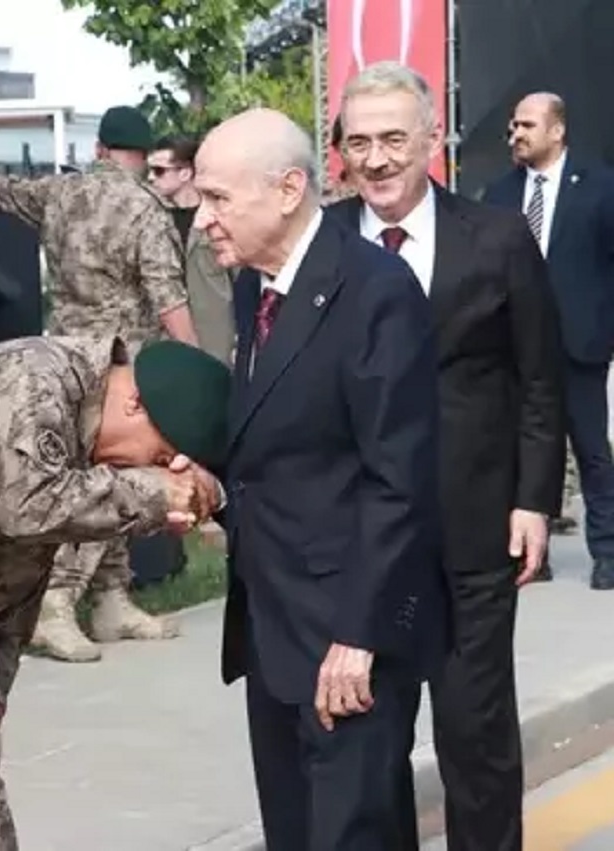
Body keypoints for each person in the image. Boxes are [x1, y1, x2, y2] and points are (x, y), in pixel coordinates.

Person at [0, 335, 230, 849]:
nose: (148, 471)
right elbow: (26, 504)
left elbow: (26, 549)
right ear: (133, 404)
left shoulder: (86, 412)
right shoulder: (36, 381)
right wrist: (150, 492)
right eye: (158, 456)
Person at [196, 107, 449, 850]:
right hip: (275, 628)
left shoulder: (375, 289)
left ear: (287, 190)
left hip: (347, 638)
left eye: (217, 198)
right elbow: (278, 443)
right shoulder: (255, 288)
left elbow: (399, 478)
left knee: (354, 833)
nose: (202, 218)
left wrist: (359, 634)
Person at [328, 62, 565, 851]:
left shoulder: (496, 237)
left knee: (476, 736)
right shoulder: (324, 243)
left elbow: (538, 377)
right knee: (371, 749)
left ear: (432, 139)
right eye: (360, 142)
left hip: (475, 534)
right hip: (366, 546)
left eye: (395, 139)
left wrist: (534, 499)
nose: (377, 159)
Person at [0, 105, 198, 662]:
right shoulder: (145, 207)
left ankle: (111, 599)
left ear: (100, 149)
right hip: (123, 373)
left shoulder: (60, 193)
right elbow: (168, 296)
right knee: (100, 489)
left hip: (62, 364)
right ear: (142, 153)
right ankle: (57, 605)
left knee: (87, 479)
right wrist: (194, 365)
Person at [485, 92, 614, 588]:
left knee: (592, 452)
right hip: (516, 345)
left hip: (580, 344)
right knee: (526, 453)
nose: (516, 134)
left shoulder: (600, 188)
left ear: (557, 131)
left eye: (527, 125)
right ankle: (529, 556)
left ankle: (607, 553)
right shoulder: (499, 194)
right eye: (513, 126)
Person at [148, 134, 236, 364]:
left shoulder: (218, 218)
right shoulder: (151, 222)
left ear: (185, 173)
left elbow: (243, 277)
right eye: (149, 170)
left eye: (159, 171)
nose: (150, 177)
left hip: (217, 342)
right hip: (166, 341)